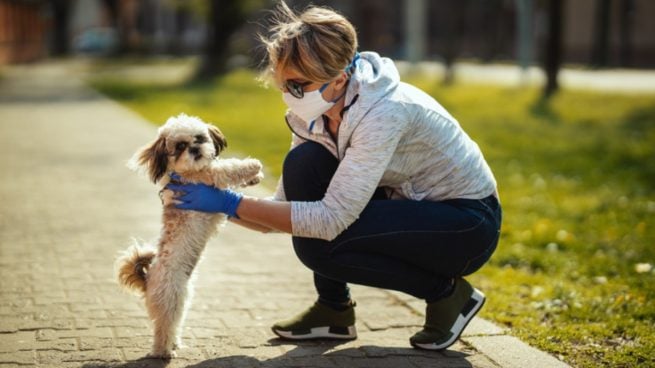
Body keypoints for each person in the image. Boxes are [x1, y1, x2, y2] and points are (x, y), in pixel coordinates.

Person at [166, 1, 502, 351]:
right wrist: (213, 204)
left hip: (465, 226)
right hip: (407, 205)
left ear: (339, 78)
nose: (288, 96)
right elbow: (282, 211)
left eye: (298, 85)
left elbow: (328, 220)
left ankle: (448, 294)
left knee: (322, 247)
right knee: (304, 163)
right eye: (282, 84)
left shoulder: (384, 112)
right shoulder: (315, 111)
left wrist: (229, 202)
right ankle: (333, 311)